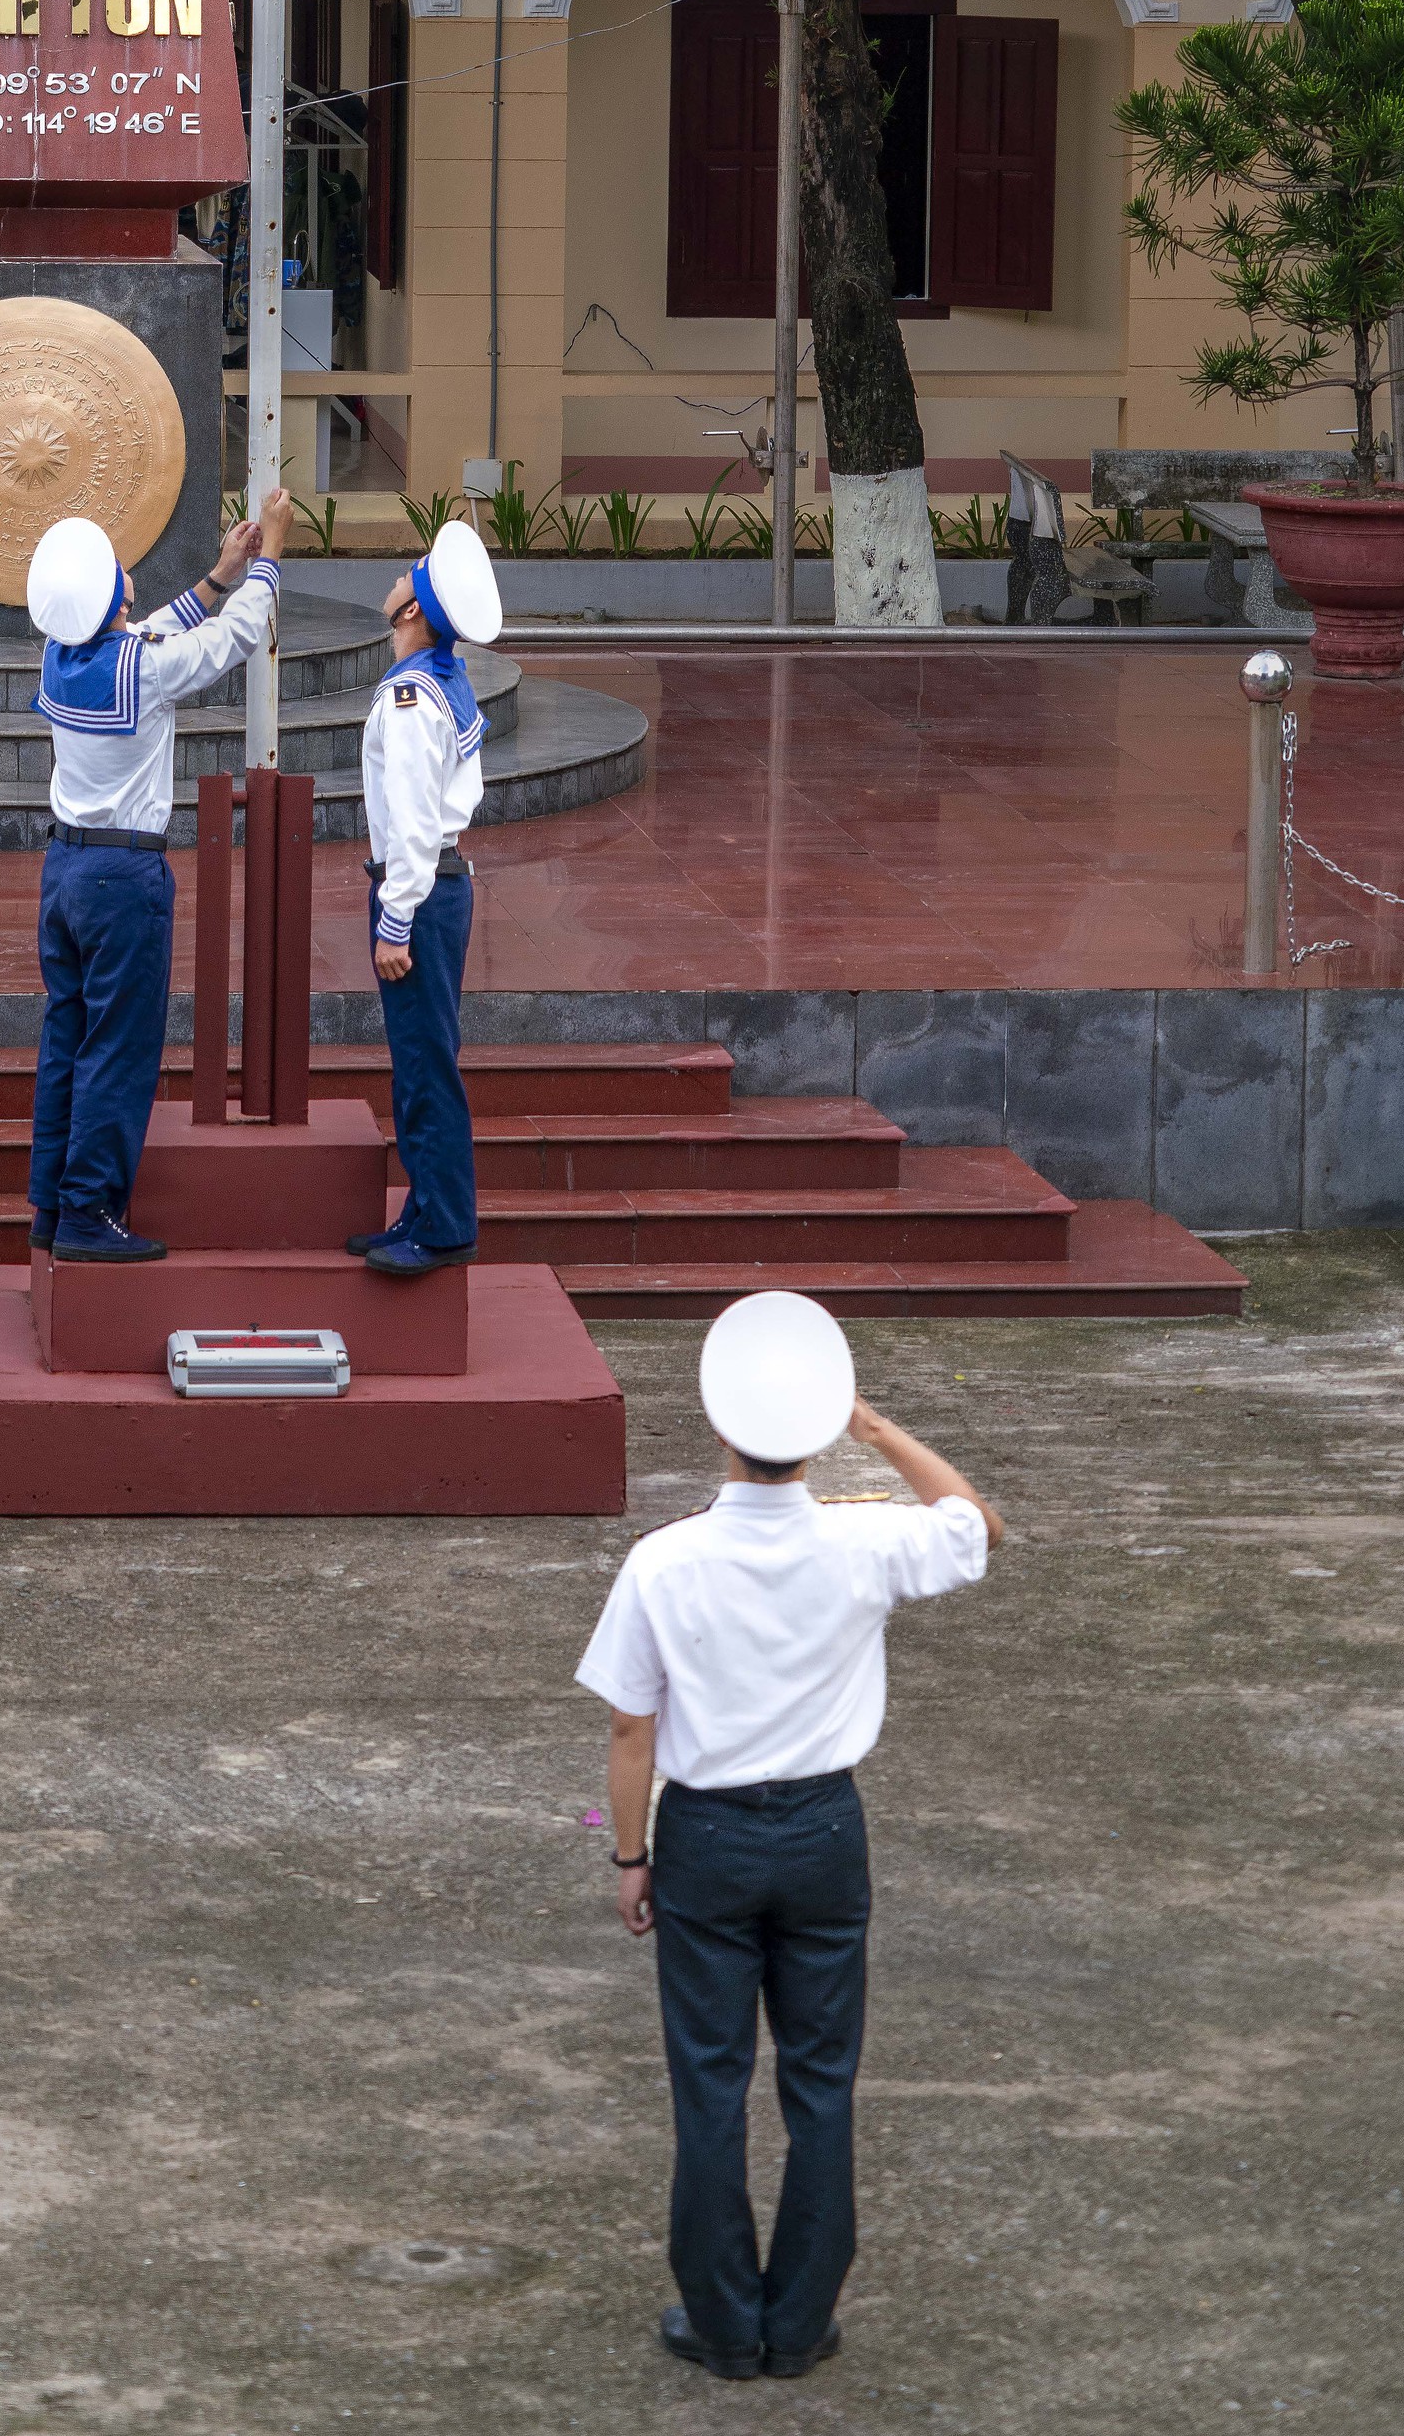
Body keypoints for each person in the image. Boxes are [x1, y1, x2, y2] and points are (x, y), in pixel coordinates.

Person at [576, 1291, 1003, 2382]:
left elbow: (633, 1727)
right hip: (823, 1829)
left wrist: (632, 1857)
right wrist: (874, 1427)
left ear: (721, 1427)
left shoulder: (663, 1561)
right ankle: (802, 2316)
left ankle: (721, 2320)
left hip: (707, 1837)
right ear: (810, 1430)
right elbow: (975, 1524)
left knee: (709, 2083)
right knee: (820, 2079)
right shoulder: (865, 1540)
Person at [26, 488, 294, 1260]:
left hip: (66, 868)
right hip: (124, 878)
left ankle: (50, 1205)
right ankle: (87, 1214)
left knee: (68, 1040)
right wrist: (269, 556)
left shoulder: (62, 652)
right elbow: (232, 641)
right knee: (119, 1048)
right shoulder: (142, 672)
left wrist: (216, 576)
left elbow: (151, 635)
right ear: (112, 593)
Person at [348, 513, 500, 1280]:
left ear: (412, 612)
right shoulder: (439, 679)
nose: (401, 574)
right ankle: (423, 1207)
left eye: (410, 573)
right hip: (440, 887)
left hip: (420, 891)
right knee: (420, 1061)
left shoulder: (409, 703)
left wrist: (393, 922)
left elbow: (409, 827)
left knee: (425, 1065)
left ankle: (442, 1226)